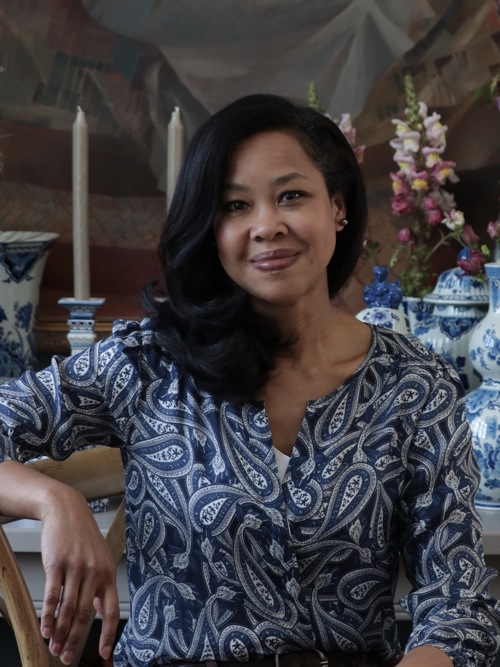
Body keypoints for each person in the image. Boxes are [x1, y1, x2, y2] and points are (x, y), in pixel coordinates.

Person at [0, 93, 498, 667]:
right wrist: (53, 498)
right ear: (211, 230)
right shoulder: (149, 364)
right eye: (235, 206)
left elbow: (456, 603)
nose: (267, 226)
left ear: (338, 206)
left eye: (291, 196)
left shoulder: (412, 384)